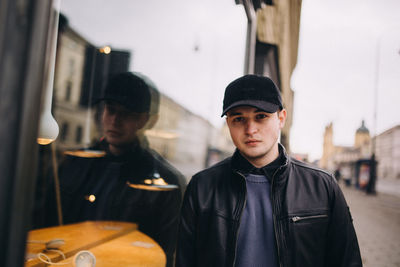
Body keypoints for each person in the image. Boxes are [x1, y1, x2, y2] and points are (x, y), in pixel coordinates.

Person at [176, 75, 362, 267]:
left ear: (281, 118)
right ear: (229, 124)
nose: (250, 129)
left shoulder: (322, 186)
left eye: (261, 116)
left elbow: (347, 260)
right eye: (239, 119)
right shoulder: (202, 187)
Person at [34, 72, 186, 267]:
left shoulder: (163, 181)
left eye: (127, 114)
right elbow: (43, 224)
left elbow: (162, 254)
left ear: (144, 120)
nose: (115, 120)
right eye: (110, 110)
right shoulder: (74, 163)